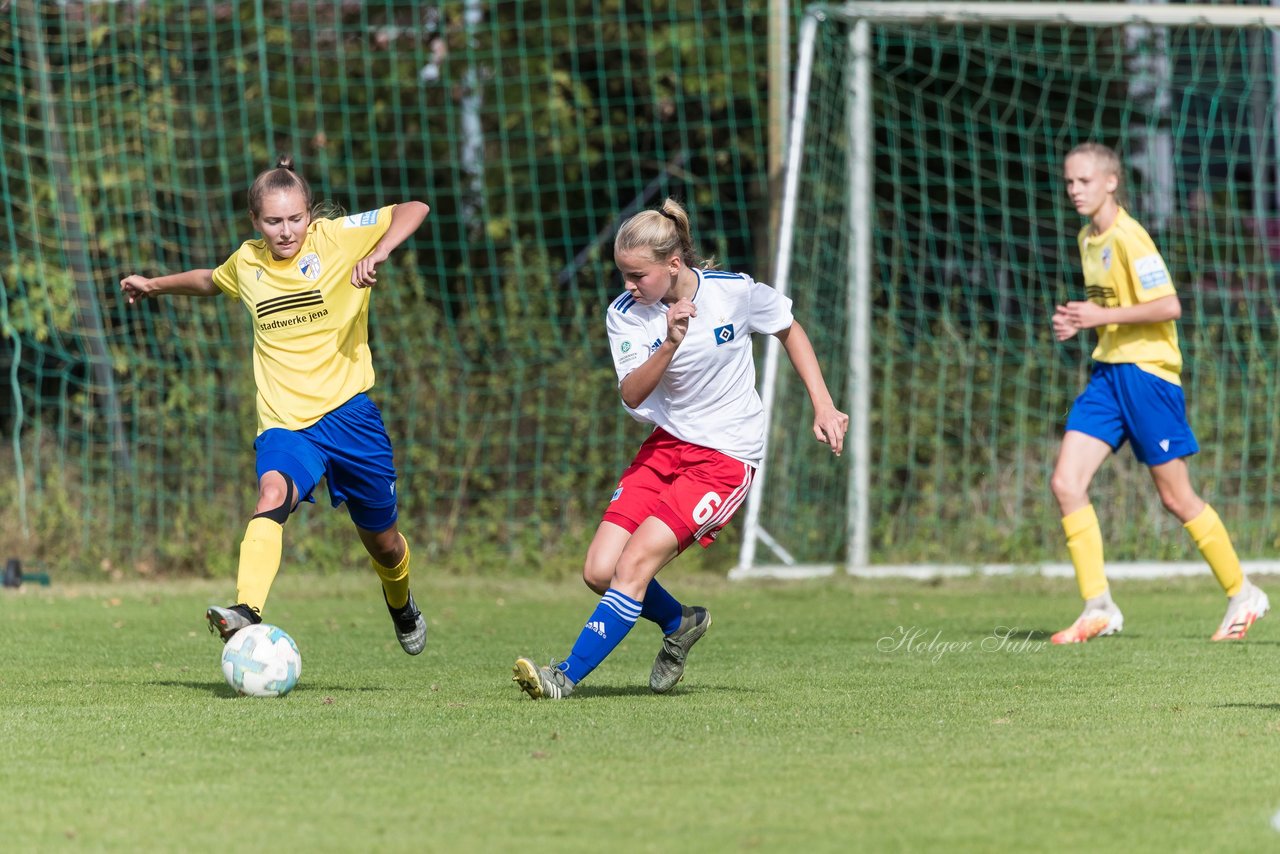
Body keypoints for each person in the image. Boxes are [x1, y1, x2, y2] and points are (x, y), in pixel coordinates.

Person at [512, 198, 849, 699]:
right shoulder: (627, 314)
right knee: (599, 570)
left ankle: (563, 676)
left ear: (674, 265)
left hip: (724, 459)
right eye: (623, 274)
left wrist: (824, 405)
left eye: (637, 275)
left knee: (633, 565)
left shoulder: (733, 292)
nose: (628, 285)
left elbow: (788, 328)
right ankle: (681, 622)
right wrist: (669, 343)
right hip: (666, 446)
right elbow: (631, 393)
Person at [120, 157, 432, 653]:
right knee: (271, 495)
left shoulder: (336, 238)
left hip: (351, 418)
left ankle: (401, 603)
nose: (286, 232)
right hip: (286, 425)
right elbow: (208, 280)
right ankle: (246, 610)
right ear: (255, 222)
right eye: (273, 221)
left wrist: (380, 252)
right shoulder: (248, 263)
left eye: (294, 219)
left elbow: (415, 207)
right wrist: (153, 285)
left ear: (309, 214)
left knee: (384, 543)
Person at [1050, 142, 1267, 644]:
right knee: (1066, 482)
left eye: (1084, 181)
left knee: (1176, 497)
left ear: (1111, 182)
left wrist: (1099, 316)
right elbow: (1111, 307)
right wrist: (1080, 320)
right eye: (1069, 182)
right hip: (1109, 376)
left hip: (1149, 377)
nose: (1074, 190)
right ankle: (1098, 606)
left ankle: (1243, 591)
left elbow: (1169, 305)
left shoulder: (1131, 237)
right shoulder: (1089, 238)